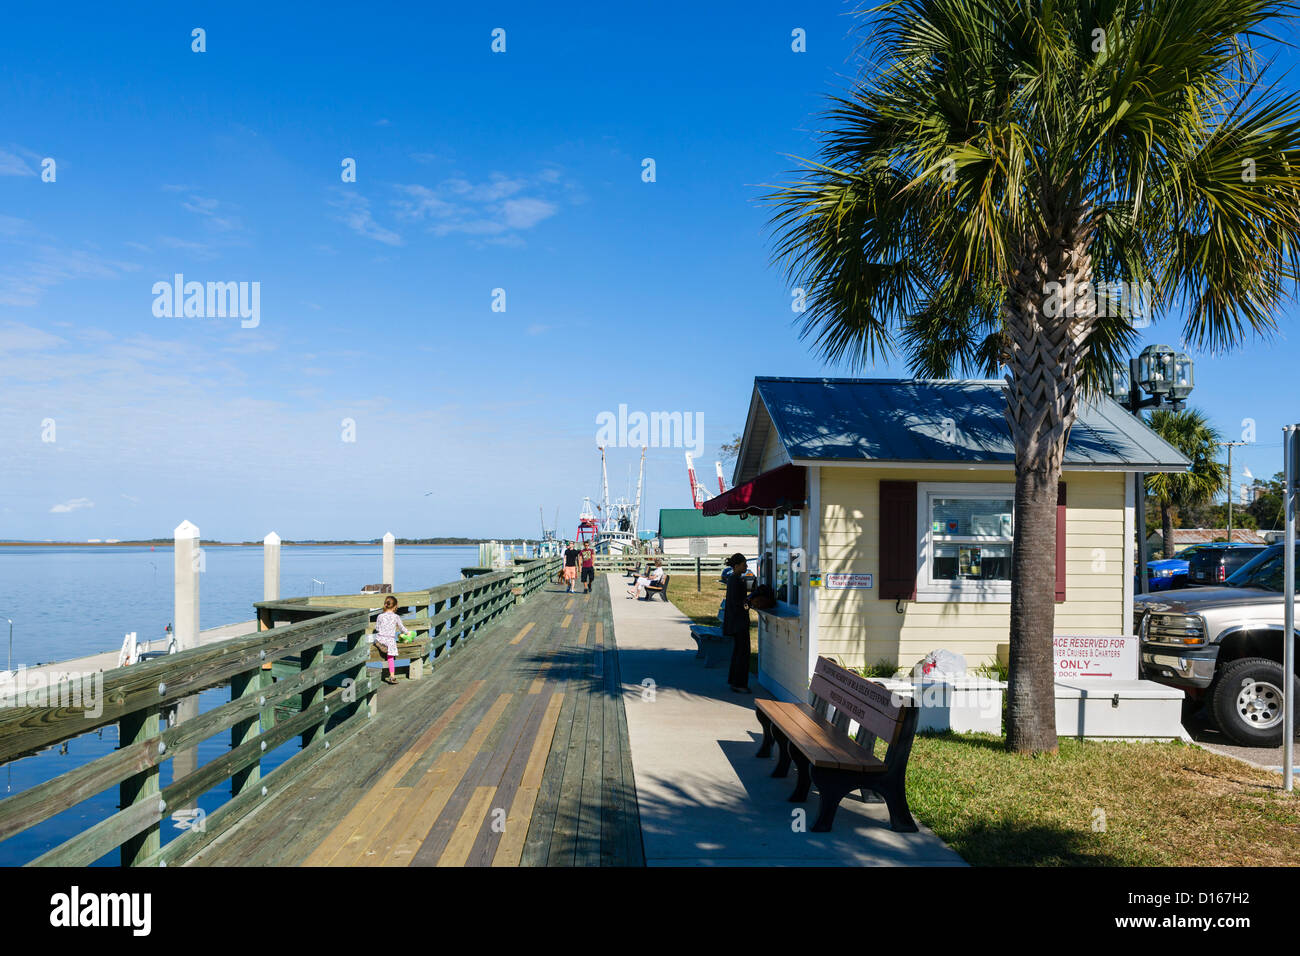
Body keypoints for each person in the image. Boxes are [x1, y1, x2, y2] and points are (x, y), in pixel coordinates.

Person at [723, 553, 752, 693]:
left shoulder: (733, 579)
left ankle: (734, 681)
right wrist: (749, 602)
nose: (746, 566)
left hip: (735, 622)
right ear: (736, 566)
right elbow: (738, 602)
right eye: (743, 564)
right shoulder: (736, 580)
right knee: (743, 652)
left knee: (738, 652)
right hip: (739, 622)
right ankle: (739, 684)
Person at [374, 595, 410, 686]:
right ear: (395, 607)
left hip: (381, 638)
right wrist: (407, 633)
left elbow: (377, 628)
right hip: (390, 640)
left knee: (376, 639)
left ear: (385, 605)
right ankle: (392, 676)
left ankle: (378, 644)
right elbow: (401, 628)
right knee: (391, 658)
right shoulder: (396, 617)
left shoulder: (380, 616)